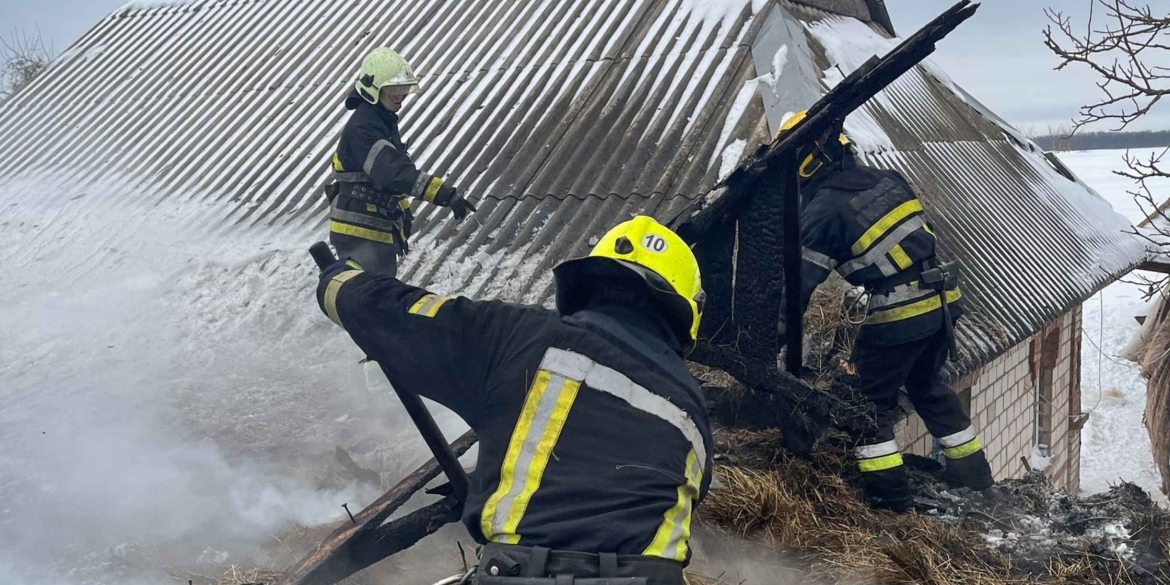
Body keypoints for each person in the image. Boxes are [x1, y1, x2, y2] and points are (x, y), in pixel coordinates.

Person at [316, 216, 712, 585]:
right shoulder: (692, 408)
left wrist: (337, 281)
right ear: (686, 312)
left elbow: (396, 314)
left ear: (586, 282)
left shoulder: (518, 338)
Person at [775, 111, 994, 512]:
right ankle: (975, 477)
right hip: (944, 298)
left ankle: (888, 498)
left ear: (806, 162)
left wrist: (771, 338)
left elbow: (798, 288)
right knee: (927, 385)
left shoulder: (822, 209)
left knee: (863, 399)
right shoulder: (886, 180)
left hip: (901, 311)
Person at [325, 47, 476, 276]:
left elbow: (387, 182)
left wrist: (404, 213)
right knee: (374, 303)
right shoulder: (364, 128)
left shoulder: (380, 119)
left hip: (372, 229)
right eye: (393, 89)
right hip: (359, 233)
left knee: (378, 300)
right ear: (372, 89)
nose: (400, 96)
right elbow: (393, 173)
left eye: (403, 89)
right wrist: (445, 194)